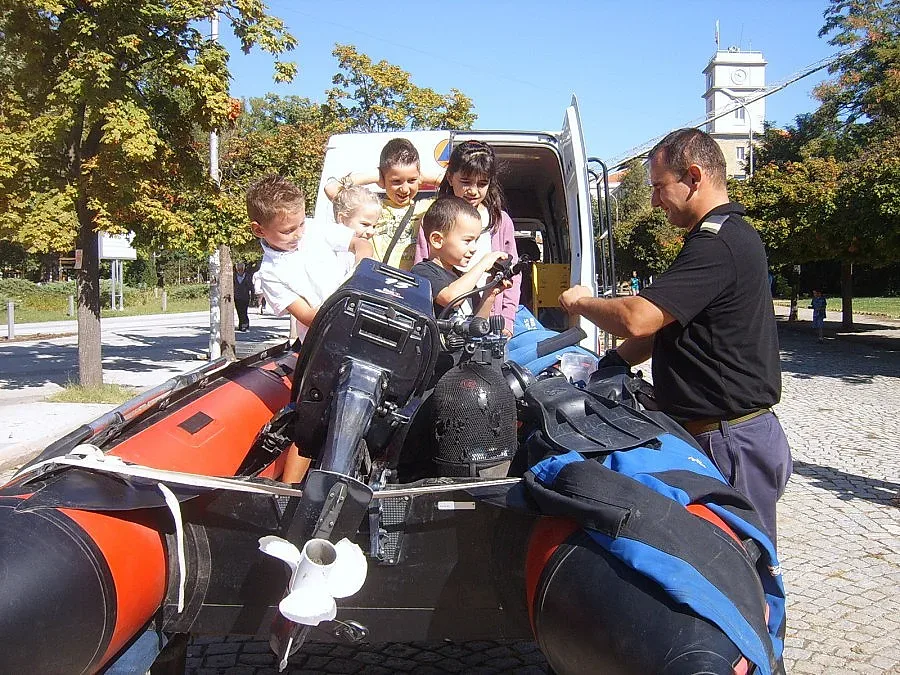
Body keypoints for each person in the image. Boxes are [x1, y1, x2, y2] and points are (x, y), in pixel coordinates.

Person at [558, 128, 792, 546]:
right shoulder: (714, 240)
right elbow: (666, 325)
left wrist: (582, 302)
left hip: (730, 440)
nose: (653, 200)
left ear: (695, 176)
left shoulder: (718, 243)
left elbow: (639, 319)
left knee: (742, 569)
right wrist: (613, 364)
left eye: (659, 186)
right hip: (716, 435)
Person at [248, 174, 374, 483]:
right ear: (259, 230)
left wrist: (361, 265)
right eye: (288, 230)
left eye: (300, 224)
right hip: (323, 350)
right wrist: (348, 299)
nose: (298, 234)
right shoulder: (271, 273)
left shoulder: (315, 230)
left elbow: (361, 242)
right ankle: (289, 491)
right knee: (310, 421)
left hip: (362, 333)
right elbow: (309, 316)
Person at [414, 140, 521, 335]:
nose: (473, 190)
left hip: (488, 322)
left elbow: (513, 276)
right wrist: (483, 263)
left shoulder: (501, 221)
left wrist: (506, 321)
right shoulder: (433, 219)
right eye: (465, 182)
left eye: (482, 184)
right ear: (450, 177)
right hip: (445, 325)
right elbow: (426, 278)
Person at [323, 138, 441, 270]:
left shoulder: (427, 207)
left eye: (411, 180)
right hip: (377, 282)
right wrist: (374, 176)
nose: (404, 189)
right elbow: (331, 189)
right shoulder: (372, 207)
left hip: (411, 284)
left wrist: (425, 177)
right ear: (383, 180)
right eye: (396, 181)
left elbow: (456, 188)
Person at [410, 196, 510, 321]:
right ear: (437, 240)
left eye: (476, 240)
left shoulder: (463, 279)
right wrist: (482, 263)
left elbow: (477, 324)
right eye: (468, 240)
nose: (474, 248)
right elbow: (450, 298)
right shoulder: (422, 272)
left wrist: (489, 294)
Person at [331, 185, 382, 276]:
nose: (371, 232)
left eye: (374, 226)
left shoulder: (367, 253)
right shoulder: (330, 247)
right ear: (342, 219)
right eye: (365, 224)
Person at [233, 261, 253, 331]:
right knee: (239, 311)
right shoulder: (234, 276)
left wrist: (252, 296)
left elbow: (251, 286)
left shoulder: (247, 276)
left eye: (241, 268)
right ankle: (241, 325)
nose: (240, 270)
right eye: (238, 268)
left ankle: (245, 325)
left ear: (243, 269)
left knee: (244, 311)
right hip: (237, 297)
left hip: (245, 297)